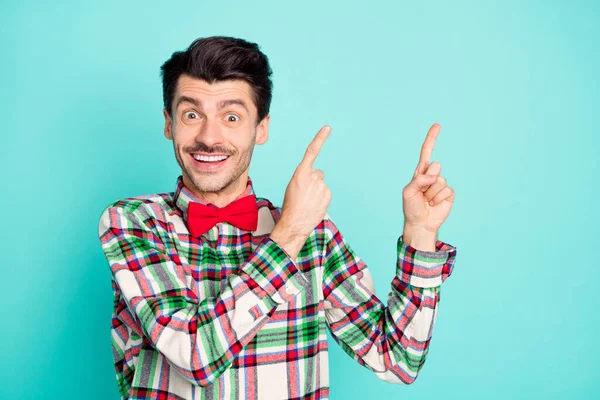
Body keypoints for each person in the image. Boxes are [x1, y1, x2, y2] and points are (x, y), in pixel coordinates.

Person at [97, 35, 457, 400]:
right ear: (169, 124)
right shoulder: (134, 222)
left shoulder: (313, 235)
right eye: (192, 114)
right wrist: (289, 234)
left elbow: (397, 359)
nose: (209, 137)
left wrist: (420, 233)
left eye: (232, 116)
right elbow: (194, 356)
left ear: (261, 128)